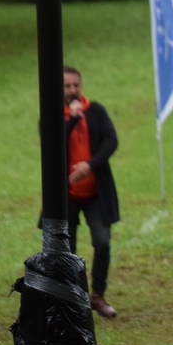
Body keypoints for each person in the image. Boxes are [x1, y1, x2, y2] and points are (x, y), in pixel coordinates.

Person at [62, 65, 120, 318]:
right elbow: (52, 144)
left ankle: (98, 295)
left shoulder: (95, 111)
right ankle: (75, 302)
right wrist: (73, 118)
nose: (72, 90)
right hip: (65, 196)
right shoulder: (53, 115)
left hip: (96, 193)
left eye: (76, 85)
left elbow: (111, 141)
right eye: (67, 86)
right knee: (67, 252)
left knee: (102, 242)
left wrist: (90, 165)